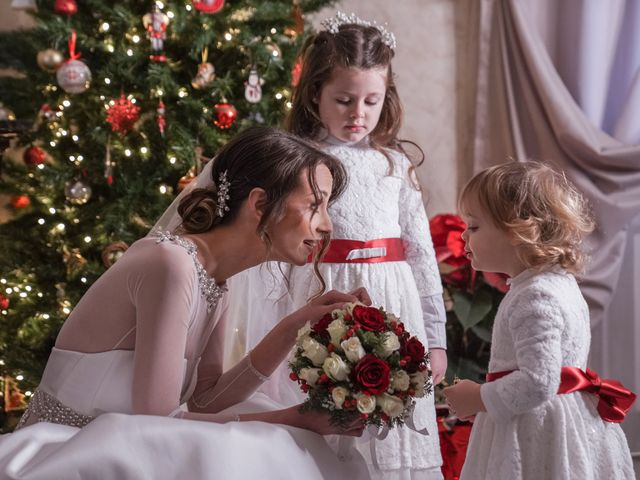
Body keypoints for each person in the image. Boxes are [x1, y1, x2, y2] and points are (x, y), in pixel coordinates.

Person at [0, 127, 373, 480]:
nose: (326, 226)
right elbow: (157, 421)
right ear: (259, 203)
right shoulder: (171, 265)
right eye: (314, 205)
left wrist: (295, 326)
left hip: (131, 448)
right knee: (271, 445)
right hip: (76, 456)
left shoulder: (217, 277)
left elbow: (205, 401)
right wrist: (296, 418)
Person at [227, 12, 446, 479]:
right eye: (344, 100)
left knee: (389, 410)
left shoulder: (394, 166)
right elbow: (278, 249)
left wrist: (437, 340)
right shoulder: (300, 161)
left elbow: (423, 258)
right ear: (314, 95)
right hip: (325, 297)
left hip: (394, 299)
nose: (358, 114)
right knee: (329, 408)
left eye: (372, 100)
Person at [443, 161, 636, 479]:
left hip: (535, 430)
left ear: (520, 231)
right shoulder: (554, 283)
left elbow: (538, 382)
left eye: (475, 227)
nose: (464, 235)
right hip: (561, 418)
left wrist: (477, 397)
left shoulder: (535, 296)